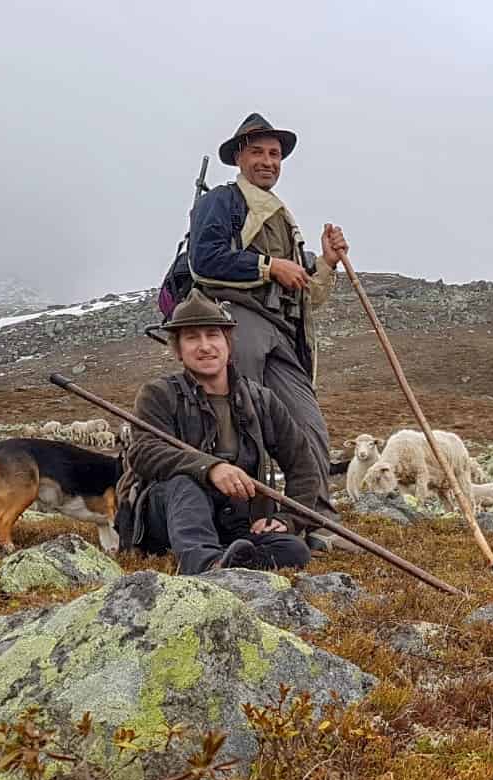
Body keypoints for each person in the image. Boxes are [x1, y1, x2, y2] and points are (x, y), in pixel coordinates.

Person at [189, 112, 348, 546]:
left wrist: (326, 263)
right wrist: (268, 265)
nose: (267, 161)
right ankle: (245, 521)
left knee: (305, 422)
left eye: (274, 154)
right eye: (257, 151)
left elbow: (304, 294)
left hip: (281, 333)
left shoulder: (281, 218)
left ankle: (312, 521)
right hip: (237, 321)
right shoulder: (223, 201)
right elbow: (204, 260)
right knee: (244, 421)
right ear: (239, 157)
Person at [115, 290, 318, 575]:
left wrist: (288, 519)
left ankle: (234, 560)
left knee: (294, 550)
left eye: (213, 335)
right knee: (184, 483)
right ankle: (207, 566)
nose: (204, 346)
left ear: (228, 343)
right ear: (177, 350)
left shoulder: (262, 400)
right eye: (192, 338)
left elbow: (302, 464)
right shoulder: (158, 394)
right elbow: (144, 452)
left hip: (237, 523)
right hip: (168, 521)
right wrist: (209, 468)